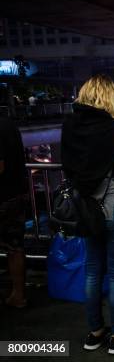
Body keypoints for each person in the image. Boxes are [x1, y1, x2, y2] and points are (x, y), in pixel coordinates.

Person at [61, 74, 114, 354]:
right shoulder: (113, 130)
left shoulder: (70, 127)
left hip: (86, 208)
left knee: (93, 271)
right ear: (111, 98)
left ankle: (95, 332)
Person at [0, 117, 28, 309]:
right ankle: (19, 295)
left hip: (2, 196)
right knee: (15, 247)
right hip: (16, 194)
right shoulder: (10, 125)